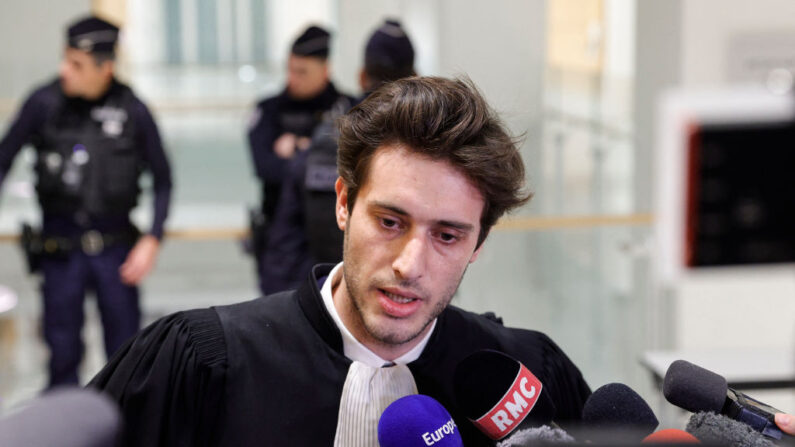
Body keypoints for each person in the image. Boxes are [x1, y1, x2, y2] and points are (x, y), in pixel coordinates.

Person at [90, 76, 590, 446]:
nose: (409, 265)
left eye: (448, 235)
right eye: (390, 222)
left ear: (478, 243)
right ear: (343, 203)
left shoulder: (528, 378)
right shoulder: (203, 364)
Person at [0, 16, 172, 387]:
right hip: (60, 251)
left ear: (105, 67)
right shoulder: (43, 103)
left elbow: (163, 180)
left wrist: (152, 239)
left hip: (117, 252)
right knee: (62, 358)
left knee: (125, 360)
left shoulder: (132, 110)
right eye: (65, 59)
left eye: (76, 64)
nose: (65, 70)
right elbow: (2, 161)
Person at [259, 19, 416, 293]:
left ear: (362, 76)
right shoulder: (435, 143)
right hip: (400, 298)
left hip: (320, 298)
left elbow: (286, 243)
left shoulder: (334, 134)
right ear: (415, 77)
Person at [247, 25, 353, 295]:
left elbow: (356, 170)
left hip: (337, 243)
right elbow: (266, 168)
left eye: (302, 71)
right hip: (281, 247)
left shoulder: (350, 110)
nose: (293, 78)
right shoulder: (269, 110)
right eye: (290, 69)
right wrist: (320, 158)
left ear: (325, 70)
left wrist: (297, 148)